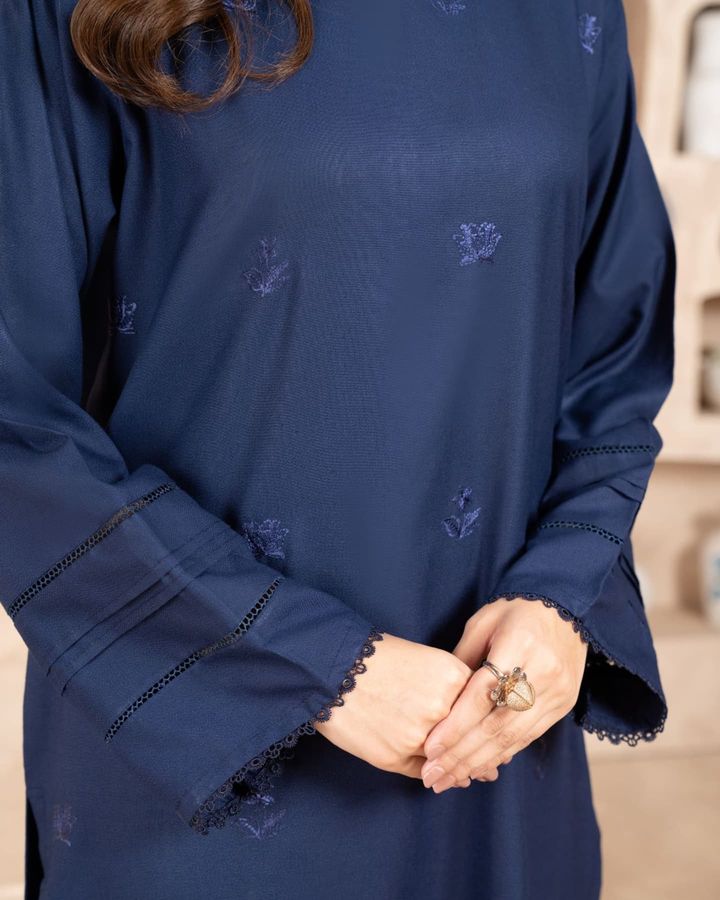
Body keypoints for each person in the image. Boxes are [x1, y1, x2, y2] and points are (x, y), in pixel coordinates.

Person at [0, 0, 675, 897]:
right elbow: (17, 416)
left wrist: (559, 599)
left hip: (493, 740)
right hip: (201, 759)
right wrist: (312, 664)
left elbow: (612, 347)